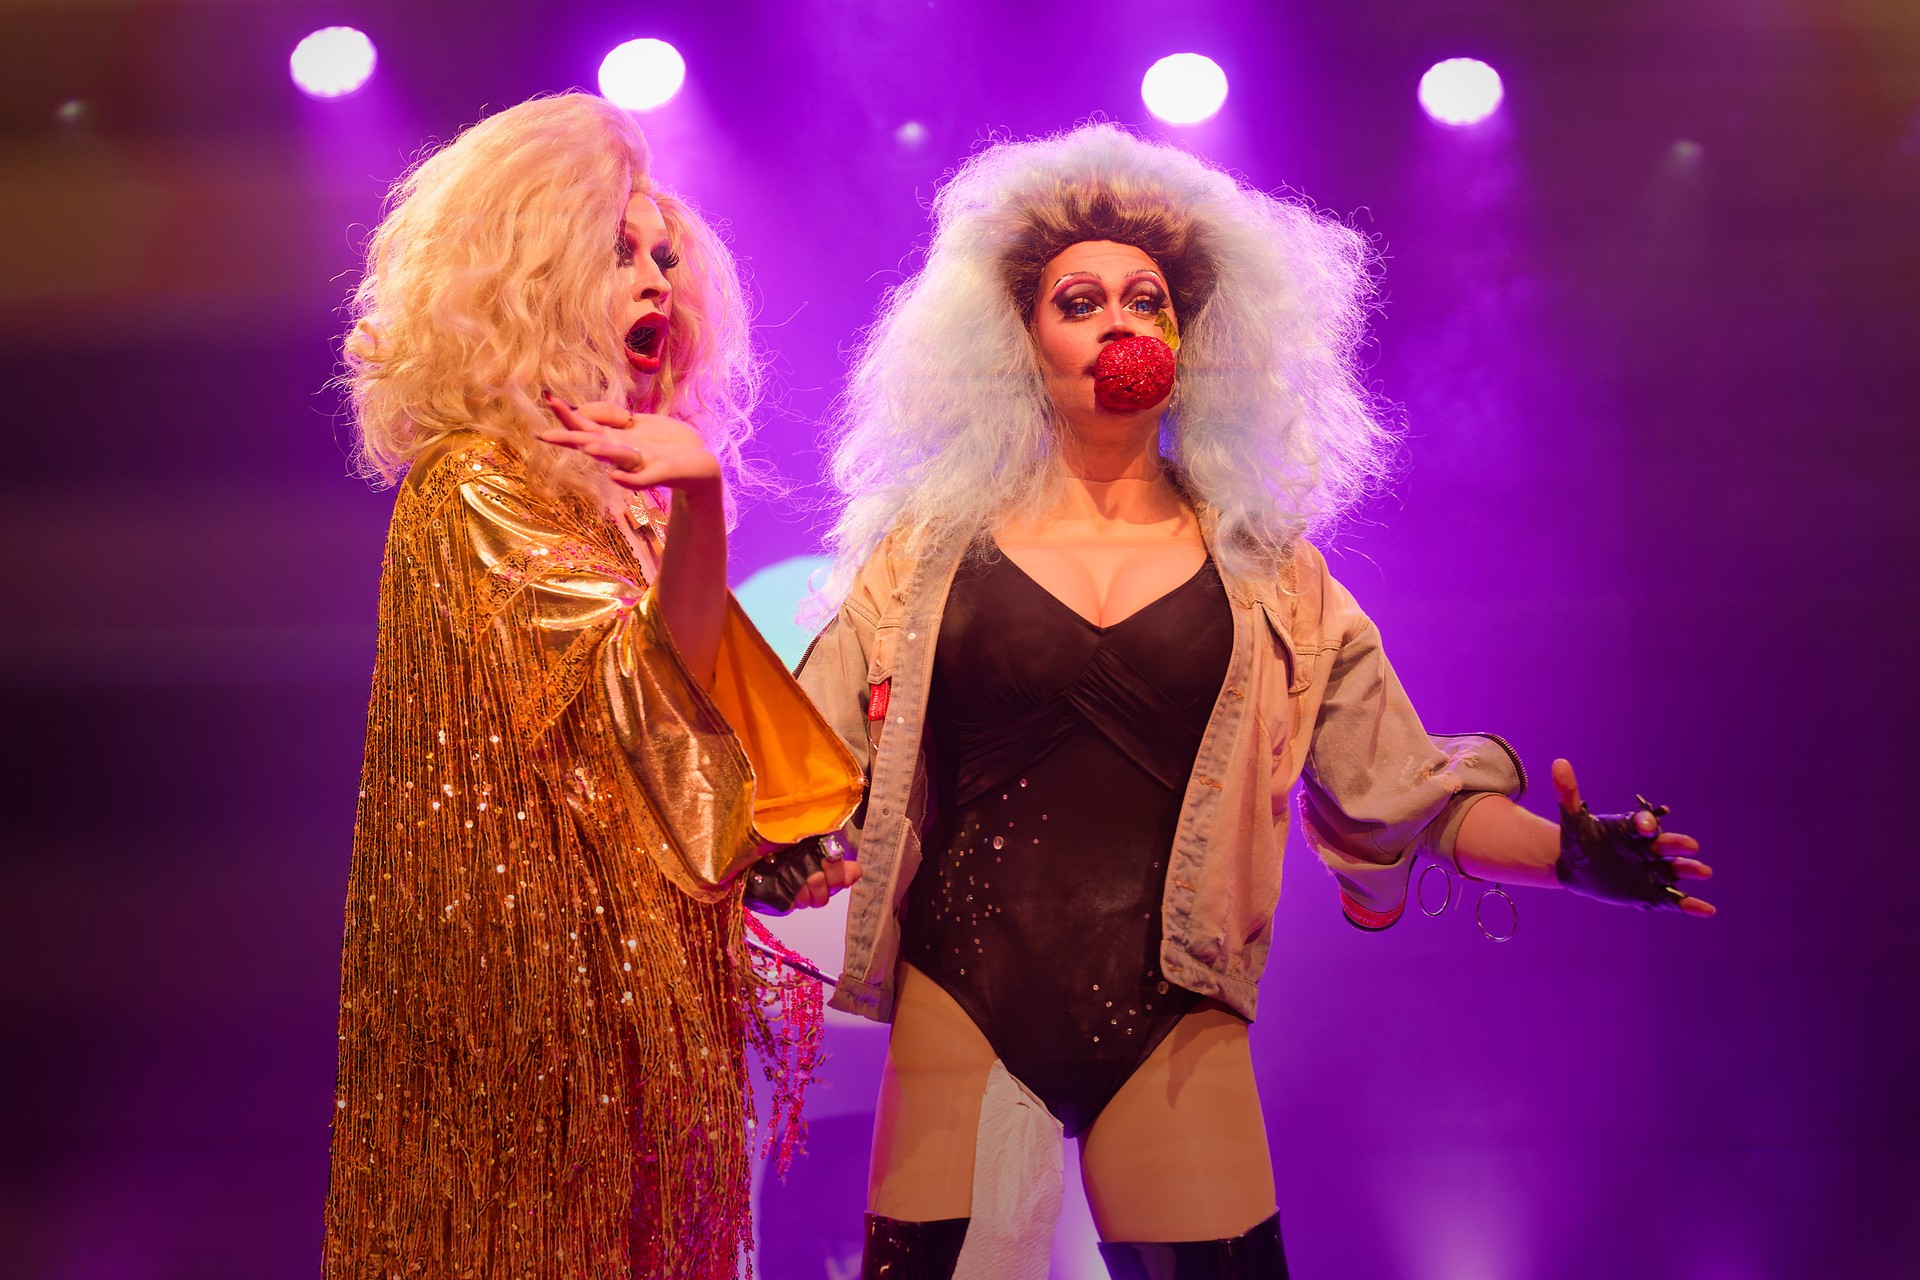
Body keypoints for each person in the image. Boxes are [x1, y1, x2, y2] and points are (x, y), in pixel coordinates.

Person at [794, 124, 1714, 1280]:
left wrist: (1569, 856)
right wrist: (782, 838)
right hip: (964, 996)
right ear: (1021, 343)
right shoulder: (925, 554)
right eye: (1080, 301)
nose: (1121, 320)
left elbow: (1402, 788)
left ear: (1191, 341)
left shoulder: (1274, 573)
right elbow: (800, 754)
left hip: (1176, 1010)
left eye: (1149, 299)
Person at [322, 93, 864, 1279]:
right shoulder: (472, 485)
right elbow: (642, 710)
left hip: (649, 1003)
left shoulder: (628, 511)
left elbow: (697, 737)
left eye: (666, 256)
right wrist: (703, 506)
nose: (656, 278)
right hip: (534, 1026)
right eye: (620, 251)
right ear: (535, 274)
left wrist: (778, 846)